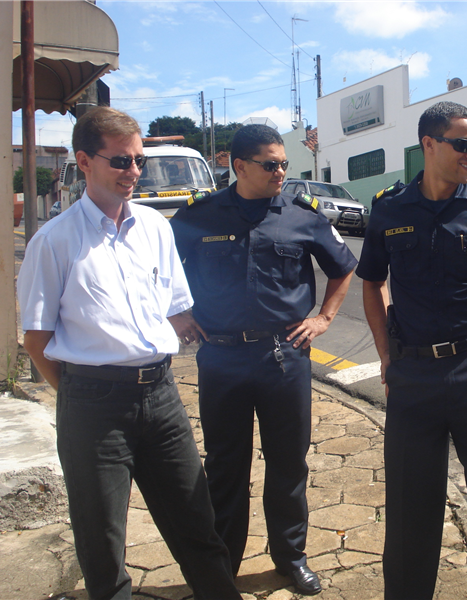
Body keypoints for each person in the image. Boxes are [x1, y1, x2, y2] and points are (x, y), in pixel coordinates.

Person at [16, 107, 240, 600]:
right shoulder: (53, 242)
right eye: (120, 161)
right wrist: (81, 391)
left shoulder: (155, 229)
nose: (134, 172)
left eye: (139, 161)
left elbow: (177, 309)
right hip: (94, 405)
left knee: (197, 526)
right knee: (103, 547)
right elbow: (36, 339)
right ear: (85, 161)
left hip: (161, 398)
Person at [356, 101, 467, 600]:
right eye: (462, 143)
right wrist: (386, 355)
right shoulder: (390, 208)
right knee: (410, 508)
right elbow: (371, 283)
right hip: (413, 374)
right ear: (429, 145)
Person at [169, 124, 357, 595]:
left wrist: (324, 318)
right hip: (222, 358)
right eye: (270, 164)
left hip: (284, 357)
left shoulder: (302, 215)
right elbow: (159, 269)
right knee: (226, 466)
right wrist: (179, 316)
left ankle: (290, 558)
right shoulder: (200, 216)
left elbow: (344, 268)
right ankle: (223, 565)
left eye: (283, 164)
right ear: (239, 166)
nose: (280, 172)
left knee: (288, 464)